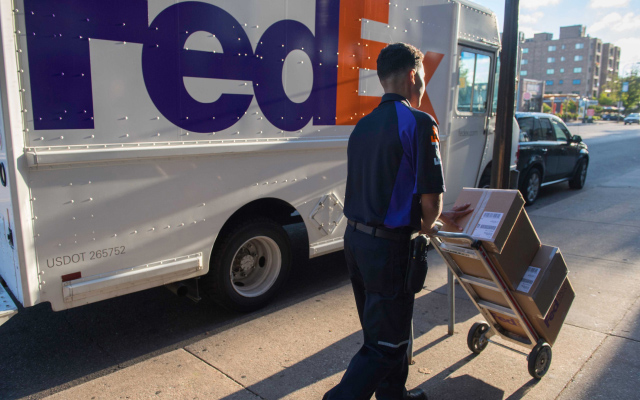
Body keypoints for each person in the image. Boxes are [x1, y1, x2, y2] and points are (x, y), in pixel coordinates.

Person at [323, 43, 472, 400]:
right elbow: (430, 201)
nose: (423, 85)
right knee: (386, 344)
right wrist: (432, 221)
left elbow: (384, 188)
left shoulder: (363, 127)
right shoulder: (419, 123)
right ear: (412, 75)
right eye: (423, 78)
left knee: (387, 329)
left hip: (356, 243)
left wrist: (429, 217)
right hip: (388, 250)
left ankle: (394, 396)